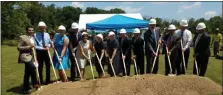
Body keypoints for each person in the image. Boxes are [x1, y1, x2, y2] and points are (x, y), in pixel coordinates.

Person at [17, 26, 40, 94]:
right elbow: (18, 47)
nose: (31, 31)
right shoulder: (22, 37)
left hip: (32, 56)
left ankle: (25, 87)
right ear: (27, 31)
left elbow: (34, 48)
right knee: (32, 67)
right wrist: (29, 47)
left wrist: (35, 58)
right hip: (25, 56)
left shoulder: (33, 37)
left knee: (27, 73)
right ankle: (35, 83)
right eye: (29, 30)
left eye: (32, 30)